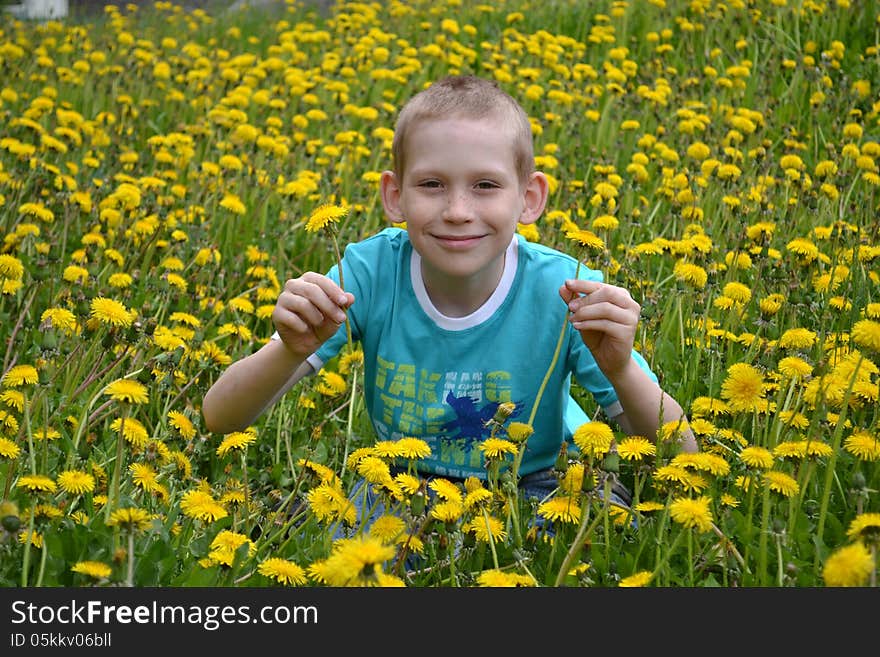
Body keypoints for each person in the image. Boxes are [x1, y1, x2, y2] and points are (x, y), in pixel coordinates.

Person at [202, 75, 697, 513]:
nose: (458, 210)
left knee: (596, 535)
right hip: (402, 482)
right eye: (433, 184)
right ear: (395, 196)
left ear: (529, 198)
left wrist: (621, 368)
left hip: (537, 478)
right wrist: (289, 349)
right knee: (353, 550)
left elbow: (684, 459)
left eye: (485, 185)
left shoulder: (564, 291)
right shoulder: (369, 274)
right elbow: (220, 418)